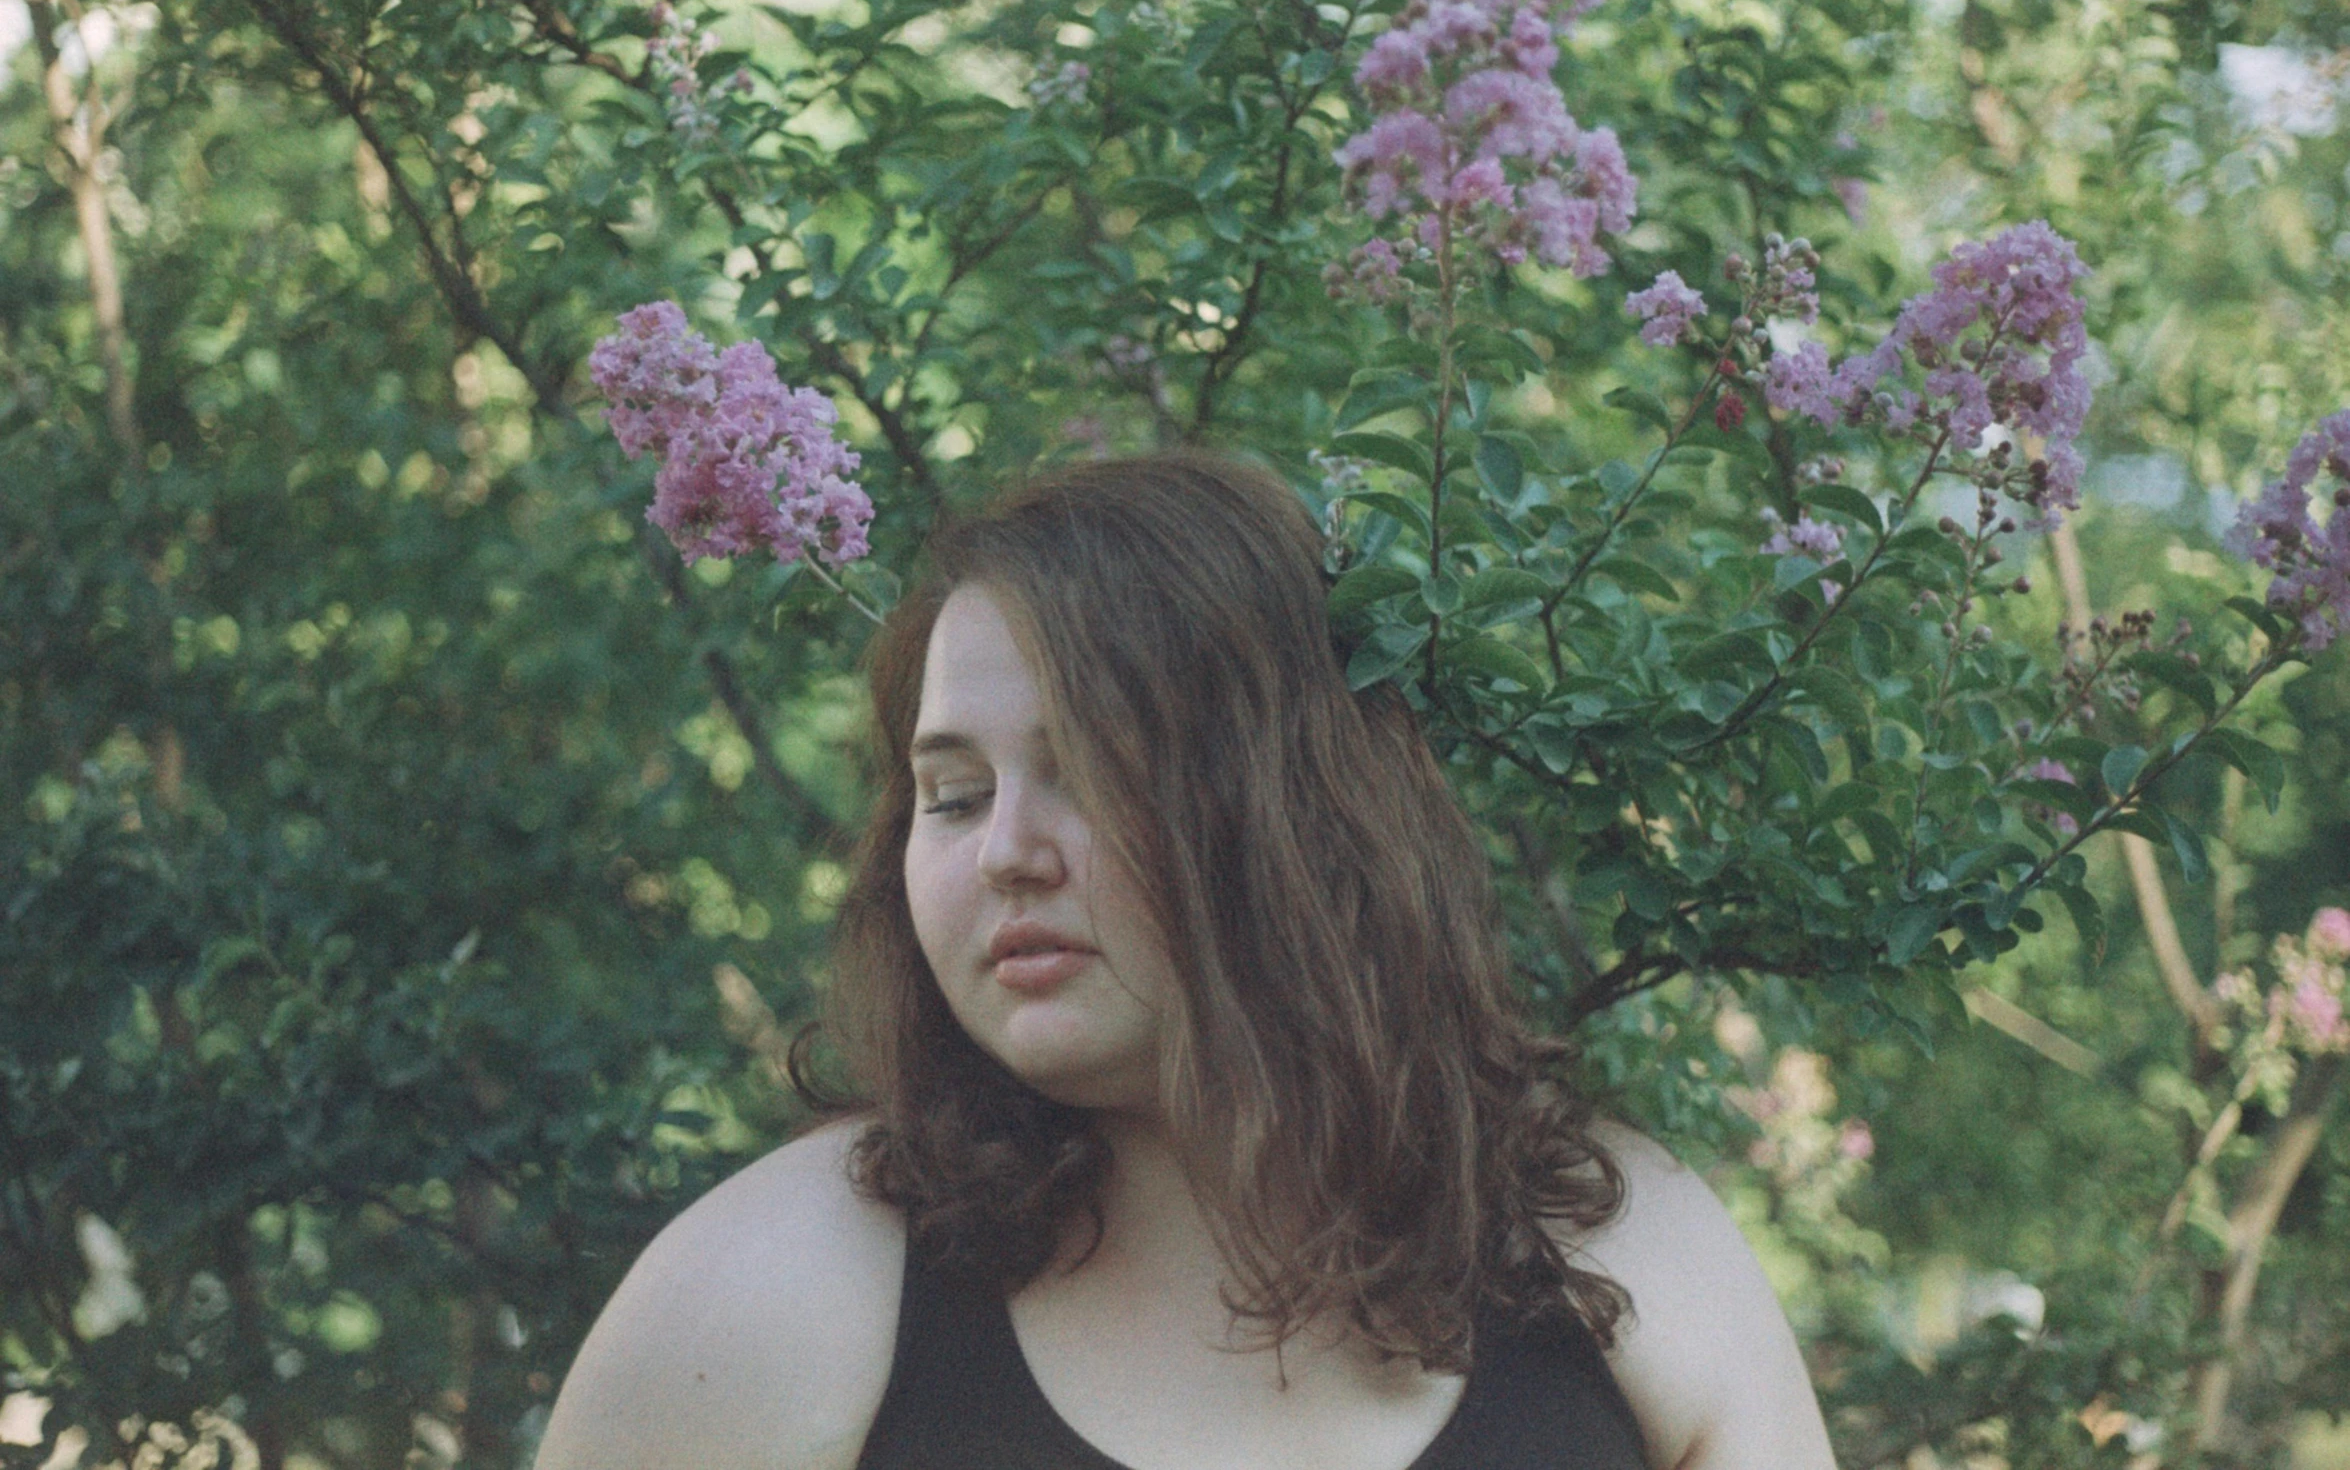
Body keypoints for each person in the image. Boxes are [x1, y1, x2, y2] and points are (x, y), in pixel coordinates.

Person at [536, 452, 1836, 1470]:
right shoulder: (771, 1296)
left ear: (1299, 804)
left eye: (1086, 769)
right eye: (950, 791)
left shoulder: (1625, 1260)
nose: (1003, 852)